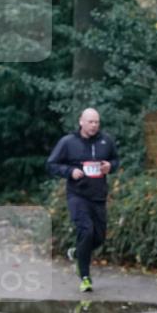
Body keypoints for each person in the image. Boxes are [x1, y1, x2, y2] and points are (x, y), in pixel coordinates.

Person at [47, 108, 120, 292]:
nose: (94, 125)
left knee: (99, 237)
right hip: (77, 195)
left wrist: (109, 166)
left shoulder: (106, 141)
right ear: (81, 122)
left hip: (99, 196)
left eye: (96, 122)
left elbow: (116, 160)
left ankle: (78, 252)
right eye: (90, 122)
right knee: (86, 230)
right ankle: (85, 277)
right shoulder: (68, 142)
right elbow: (51, 164)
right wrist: (70, 172)